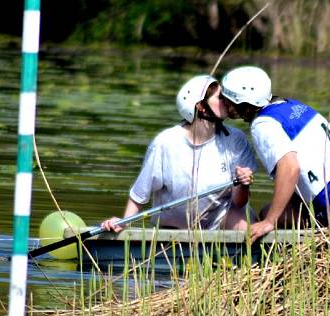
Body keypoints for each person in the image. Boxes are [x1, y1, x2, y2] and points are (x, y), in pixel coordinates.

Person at [219, 66, 330, 240]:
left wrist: (269, 221)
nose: (225, 104)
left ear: (244, 104)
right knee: (271, 210)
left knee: (269, 217)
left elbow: (290, 168)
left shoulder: (263, 125)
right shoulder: (292, 105)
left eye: (228, 100)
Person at [101, 74, 257, 232]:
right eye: (221, 97)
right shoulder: (165, 142)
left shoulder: (236, 139)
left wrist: (243, 184)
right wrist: (123, 222)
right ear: (200, 106)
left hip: (220, 220)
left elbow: (239, 202)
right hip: (173, 227)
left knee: (245, 226)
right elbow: (140, 194)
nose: (228, 101)